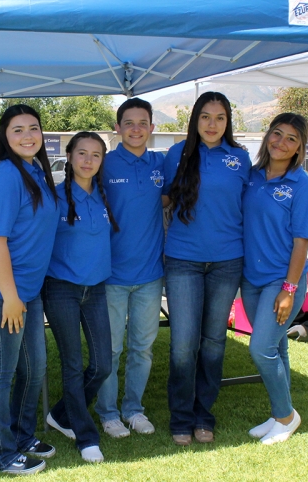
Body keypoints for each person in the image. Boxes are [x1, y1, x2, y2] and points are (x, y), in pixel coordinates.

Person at [0, 104, 60, 475]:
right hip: (0, 291)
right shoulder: (7, 175)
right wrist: (9, 297)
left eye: (33, 128)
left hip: (27, 291)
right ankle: (2, 454)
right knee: (2, 372)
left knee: (35, 367)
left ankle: (21, 435)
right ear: (5, 136)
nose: (27, 136)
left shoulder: (36, 169)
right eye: (18, 130)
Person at [163, 91, 251, 446]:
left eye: (219, 118)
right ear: (194, 120)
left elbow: (256, 206)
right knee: (184, 343)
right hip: (183, 259)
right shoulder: (176, 155)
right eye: (205, 117)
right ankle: (181, 417)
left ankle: (204, 415)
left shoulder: (241, 159)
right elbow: (154, 198)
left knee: (213, 342)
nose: (212, 124)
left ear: (228, 123)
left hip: (227, 261)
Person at [241, 113, 308, 444]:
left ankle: (287, 417)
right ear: (267, 136)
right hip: (251, 278)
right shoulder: (252, 176)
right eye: (277, 133)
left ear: (300, 146)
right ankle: (280, 412)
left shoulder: (301, 186)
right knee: (276, 347)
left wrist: (289, 290)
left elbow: (302, 241)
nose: (281, 142)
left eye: (291, 138)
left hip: (282, 280)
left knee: (261, 349)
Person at [42, 132, 119, 463]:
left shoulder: (105, 197)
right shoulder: (54, 198)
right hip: (61, 289)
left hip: (96, 289)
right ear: (69, 157)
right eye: (82, 153)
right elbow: (22, 229)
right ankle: (86, 437)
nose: (88, 160)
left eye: (96, 155)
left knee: (102, 364)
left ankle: (60, 414)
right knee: (73, 364)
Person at [92, 98, 166, 438]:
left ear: (152, 127)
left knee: (142, 348)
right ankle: (107, 413)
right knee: (110, 348)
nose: (136, 129)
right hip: (111, 277)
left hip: (150, 276)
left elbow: (172, 198)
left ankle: (133, 409)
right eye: (129, 123)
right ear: (117, 128)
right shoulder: (103, 165)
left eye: (142, 123)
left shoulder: (160, 165)